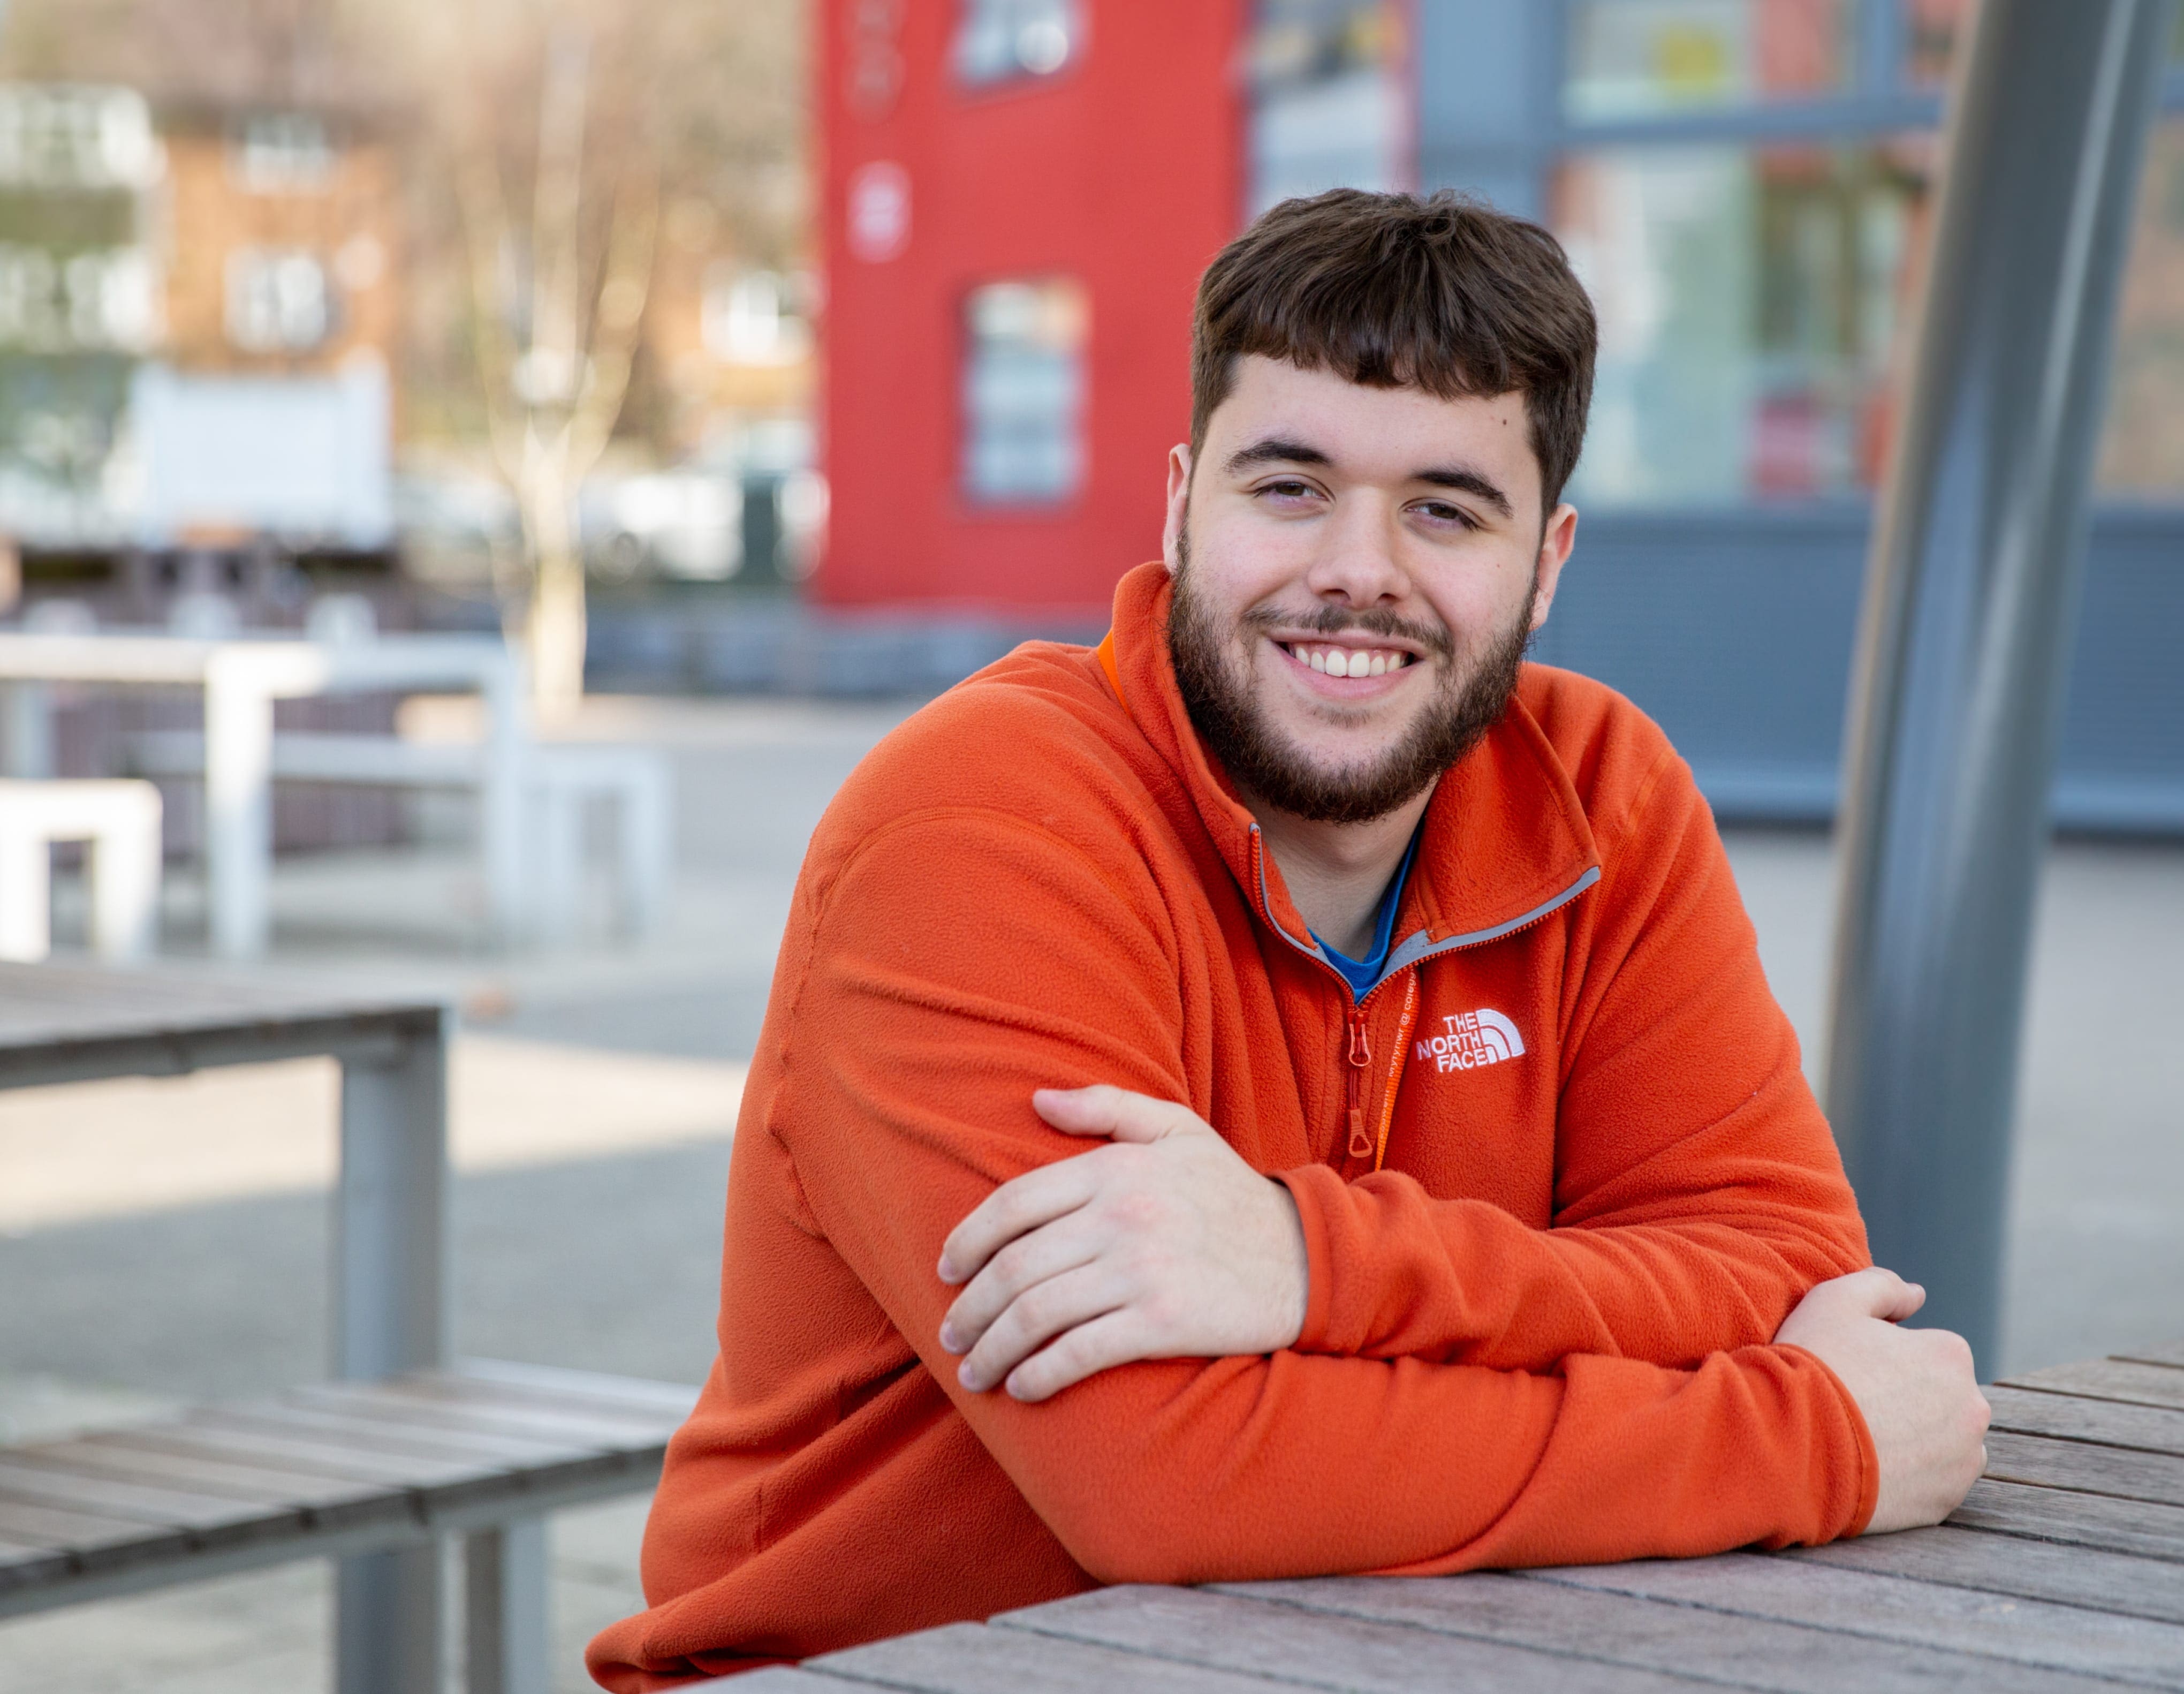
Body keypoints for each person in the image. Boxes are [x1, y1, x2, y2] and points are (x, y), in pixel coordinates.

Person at [588, 189, 1989, 1690]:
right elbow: (1161, 1476)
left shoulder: (1605, 800)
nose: (1359, 569)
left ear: (1550, 560)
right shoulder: (979, 823)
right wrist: (1813, 1435)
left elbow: (1778, 1268)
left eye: (1445, 509)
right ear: (1184, 503)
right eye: (1292, 486)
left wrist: (1305, 1266)